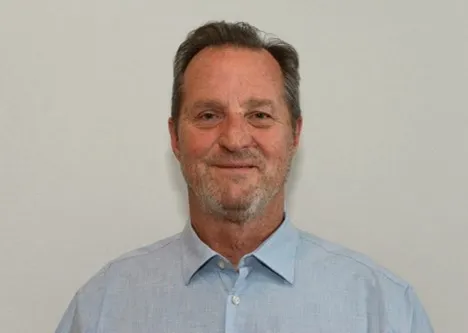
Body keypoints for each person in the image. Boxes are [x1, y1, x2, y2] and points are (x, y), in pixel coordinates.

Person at [55, 20, 433, 333]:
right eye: (208, 115)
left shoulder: (384, 310)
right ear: (174, 136)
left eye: (260, 115)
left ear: (295, 135)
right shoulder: (101, 308)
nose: (235, 140)